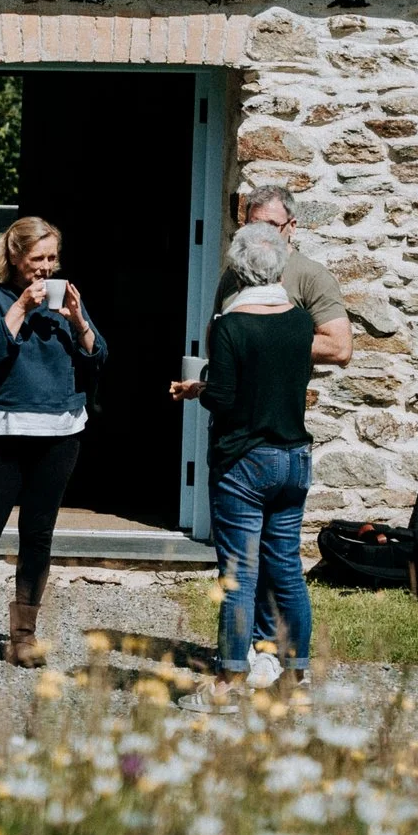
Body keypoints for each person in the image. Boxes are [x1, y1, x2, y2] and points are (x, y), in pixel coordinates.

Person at [0, 216, 106, 667]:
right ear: (15, 256)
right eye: (38, 258)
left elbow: (98, 355)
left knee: (37, 536)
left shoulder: (64, 296)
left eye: (52, 258)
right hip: (4, 430)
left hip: (60, 432)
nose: (46, 267)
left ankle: (23, 638)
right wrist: (19, 307)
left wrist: (78, 320)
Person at [171, 221, 315, 711]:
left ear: (237, 270)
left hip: (246, 460)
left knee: (239, 574)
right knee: (288, 570)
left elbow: (226, 398)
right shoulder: (300, 321)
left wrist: (201, 388)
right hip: (294, 457)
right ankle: (296, 678)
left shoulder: (230, 325)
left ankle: (228, 684)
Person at [215, 184, 351, 366]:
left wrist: (260, 342)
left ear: (292, 226)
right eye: (255, 226)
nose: (262, 235)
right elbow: (214, 337)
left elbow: (340, 348)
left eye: (271, 226)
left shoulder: (311, 275)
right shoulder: (234, 273)